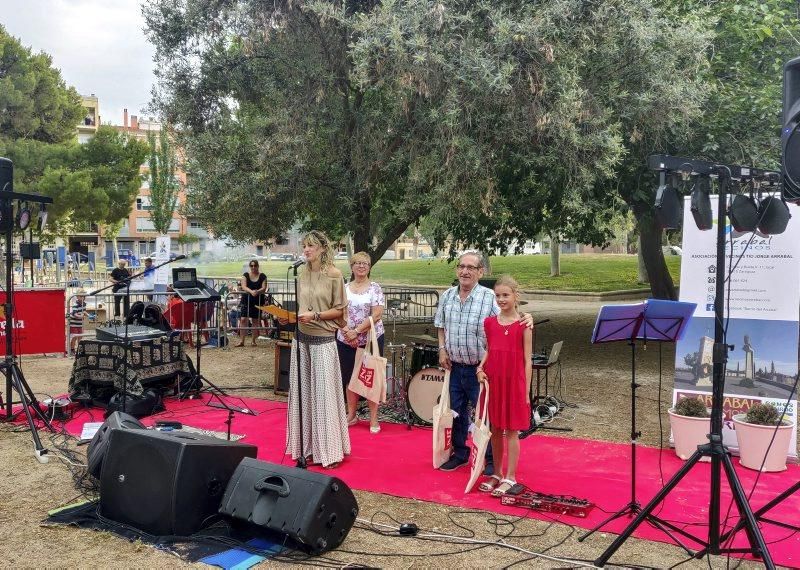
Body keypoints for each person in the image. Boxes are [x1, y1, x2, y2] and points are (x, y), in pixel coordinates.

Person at [434, 251, 533, 474]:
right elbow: (440, 326)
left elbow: (508, 318)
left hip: (481, 370)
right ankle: (460, 454)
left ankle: (490, 461)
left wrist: (528, 317)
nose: (465, 271)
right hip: (454, 366)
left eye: (471, 267)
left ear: (480, 272)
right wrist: (441, 349)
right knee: (457, 413)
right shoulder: (447, 296)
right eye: (461, 266)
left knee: (485, 417)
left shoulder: (490, 297)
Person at [283, 230, 349, 468]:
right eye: (304, 246)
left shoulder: (334, 274)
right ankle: (307, 448)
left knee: (323, 398)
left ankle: (330, 451)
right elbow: (302, 307)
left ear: (322, 248)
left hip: (323, 340)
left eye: (311, 246)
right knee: (303, 396)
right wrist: (289, 317)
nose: (306, 250)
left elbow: (340, 310)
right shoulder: (300, 273)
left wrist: (317, 315)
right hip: (301, 339)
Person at [476, 275, 532, 496]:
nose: (501, 299)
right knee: (495, 429)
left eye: (505, 295)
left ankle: (511, 476)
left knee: (512, 431)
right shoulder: (489, 323)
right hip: (494, 381)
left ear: (516, 296)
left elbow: (528, 359)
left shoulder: (524, 324)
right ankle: (497, 473)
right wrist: (480, 368)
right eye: (497, 295)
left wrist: (526, 390)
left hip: (514, 382)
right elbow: (490, 350)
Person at [336, 251, 385, 434]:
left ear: (369, 266)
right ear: (352, 266)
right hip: (345, 339)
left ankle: (373, 418)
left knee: (370, 377)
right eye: (357, 263)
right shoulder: (344, 288)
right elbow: (338, 312)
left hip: (371, 339)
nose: (361, 266)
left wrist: (356, 332)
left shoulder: (375, 288)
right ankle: (352, 414)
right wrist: (348, 333)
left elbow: (377, 314)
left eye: (365, 263)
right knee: (349, 378)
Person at [236, 260, 267, 347]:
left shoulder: (262, 276)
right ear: (250, 266)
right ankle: (242, 341)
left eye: (255, 265)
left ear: (258, 266)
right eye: (251, 266)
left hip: (258, 300)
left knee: (255, 321)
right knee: (243, 319)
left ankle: (253, 341)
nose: (253, 267)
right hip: (246, 300)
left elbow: (264, 287)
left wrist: (257, 291)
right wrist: (251, 291)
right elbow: (243, 286)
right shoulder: (246, 275)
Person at [68, 289, 87, 353]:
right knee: (75, 337)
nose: (83, 298)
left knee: (80, 337)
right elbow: (75, 314)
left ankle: (79, 349)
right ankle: (72, 349)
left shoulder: (84, 304)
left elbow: (84, 311)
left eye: (84, 296)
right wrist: (80, 316)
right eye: (81, 296)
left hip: (80, 324)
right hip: (74, 323)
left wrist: (88, 315)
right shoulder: (75, 304)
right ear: (77, 296)